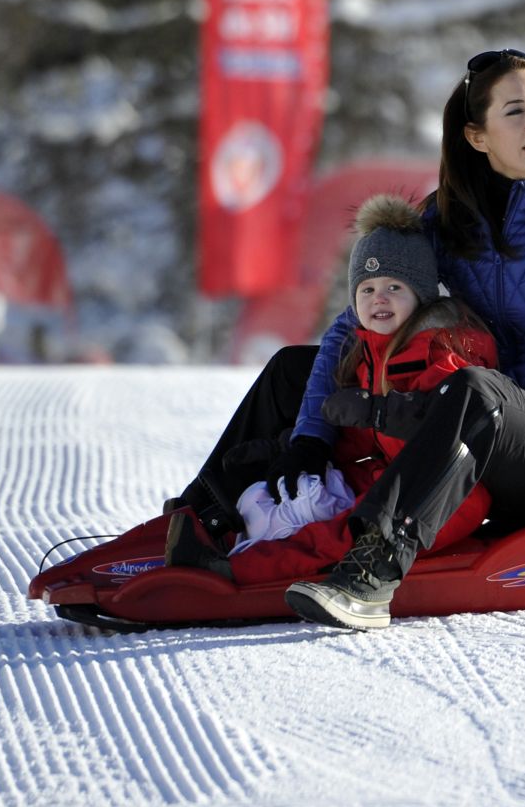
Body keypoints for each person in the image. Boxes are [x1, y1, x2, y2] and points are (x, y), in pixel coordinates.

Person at [168, 47, 525, 630]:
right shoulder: (444, 221)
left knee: (479, 391)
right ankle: (198, 522)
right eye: (516, 112)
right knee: (292, 370)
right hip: (458, 431)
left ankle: (372, 570)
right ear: (477, 137)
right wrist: (308, 436)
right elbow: (349, 329)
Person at [164, 193, 499, 589]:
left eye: (394, 287)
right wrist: (296, 447)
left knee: (343, 532)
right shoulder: (369, 351)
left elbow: (438, 434)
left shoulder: (439, 355)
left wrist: (376, 412)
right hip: (381, 480)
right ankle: (217, 521)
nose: (380, 298)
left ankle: (238, 569)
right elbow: (362, 443)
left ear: (423, 296)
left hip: (438, 495)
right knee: (296, 492)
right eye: (368, 289)